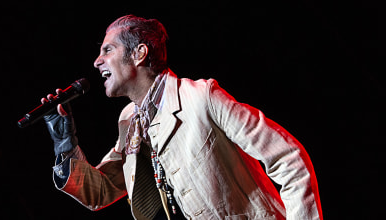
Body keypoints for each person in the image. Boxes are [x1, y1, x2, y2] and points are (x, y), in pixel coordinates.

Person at [41, 15, 323, 220]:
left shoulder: (200, 97)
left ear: (139, 54)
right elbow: (102, 191)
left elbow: (289, 159)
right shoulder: (130, 121)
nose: (97, 61)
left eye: (107, 49)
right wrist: (64, 144)